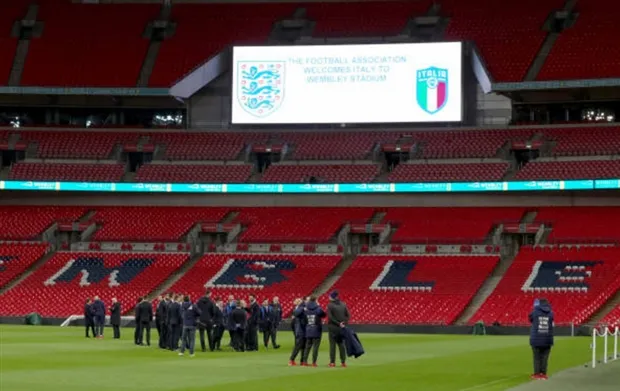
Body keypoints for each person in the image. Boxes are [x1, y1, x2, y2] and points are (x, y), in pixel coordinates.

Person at [529, 298, 554, 380]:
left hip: (536, 338)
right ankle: (543, 374)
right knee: (545, 357)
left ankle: (537, 374)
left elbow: (530, 318)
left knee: (536, 357)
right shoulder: (551, 313)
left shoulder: (535, 312)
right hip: (547, 338)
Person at [327, 290, 349, 368]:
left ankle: (332, 362)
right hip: (341, 328)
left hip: (333, 328)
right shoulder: (343, 304)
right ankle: (343, 362)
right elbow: (348, 315)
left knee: (332, 345)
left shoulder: (330, 305)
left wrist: (337, 323)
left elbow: (330, 317)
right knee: (341, 345)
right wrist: (343, 323)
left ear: (332, 297)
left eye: (329, 296)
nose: (328, 297)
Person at [301, 296, 326, 367]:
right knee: (315, 347)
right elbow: (324, 314)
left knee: (307, 346)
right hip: (317, 330)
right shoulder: (318, 309)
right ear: (315, 300)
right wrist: (319, 305)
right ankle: (314, 362)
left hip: (308, 329)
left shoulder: (306, 309)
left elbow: (304, 320)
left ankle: (304, 362)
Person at [289, 298, 307, 366]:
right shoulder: (299, 308)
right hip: (300, 331)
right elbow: (296, 313)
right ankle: (291, 360)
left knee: (304, 347)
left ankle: (302, 361)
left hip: (304, 330)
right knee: (298, 346)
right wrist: (303, 308)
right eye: (297, 301)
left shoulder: (302, 308)